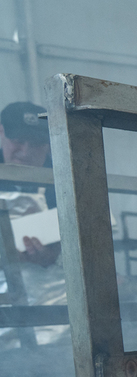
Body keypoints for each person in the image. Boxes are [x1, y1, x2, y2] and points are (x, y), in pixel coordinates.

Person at [0, 101, 58, 265]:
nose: (25, 152)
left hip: (56, 285)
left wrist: (54, 255)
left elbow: (90, 235)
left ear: (49, 144)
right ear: (1, 131)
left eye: (36, 144)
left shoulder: (66, 178)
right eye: (18, 141)